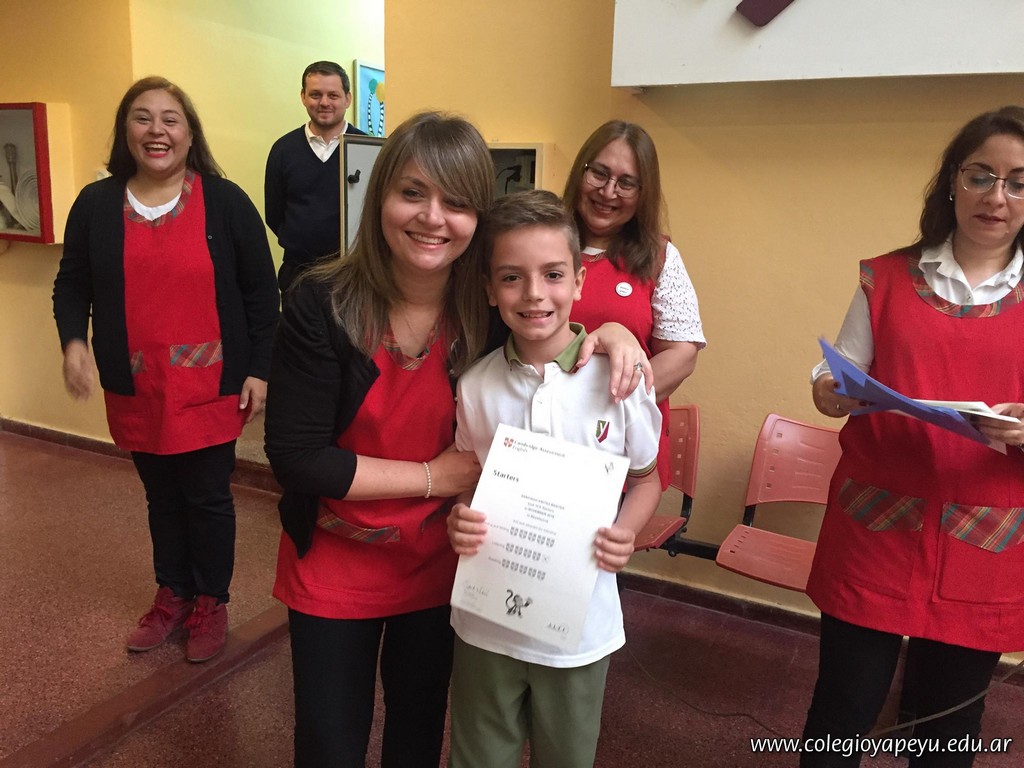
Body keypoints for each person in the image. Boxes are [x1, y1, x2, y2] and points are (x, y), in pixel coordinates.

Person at [264, 113, 651, 768]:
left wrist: (612, 333)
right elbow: (298, 458)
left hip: (444, 558)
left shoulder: (486, 311)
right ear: (379, 196)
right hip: (336, 555)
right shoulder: (321, 304)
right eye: (412, 193)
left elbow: (550, 319)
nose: (433, 218)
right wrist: (434, 477)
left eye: (457, 202)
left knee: (418, 733)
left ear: (478, 218)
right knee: (329, 742)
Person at [803, 106, 1024, 767]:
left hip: (985, 539)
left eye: (1019, 182)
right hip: (876, 525)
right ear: (953, 181)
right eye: (981, 175)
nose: (997, 197)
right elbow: (837, 375)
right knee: (841, 711)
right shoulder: (887, 277)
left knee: (947, 730)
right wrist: (830, 391)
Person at [52, 76, 279, 663]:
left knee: (207, 496)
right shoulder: (95, 205)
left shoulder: (225, 202)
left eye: (170, 119)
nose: (157, 131)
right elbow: (72, 285)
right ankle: (173, 592)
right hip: (136, 385)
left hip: (210, 384)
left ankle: (211, 601)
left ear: (189, 133)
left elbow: (261, 292)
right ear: (125, 131)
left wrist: (260, 367)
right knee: (161, 497)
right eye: (143, 117)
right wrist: (73, 343)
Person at [445, 189, 662, 768]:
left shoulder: (620, 380)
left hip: (579, 630)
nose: (534, 293)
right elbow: (470, 478)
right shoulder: (475, 386)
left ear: (579, 282)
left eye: (553, 274)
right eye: (511, 278)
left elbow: (647, 480)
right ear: (490, 289)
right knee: (478, 756)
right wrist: (460, 517)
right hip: (485, 624)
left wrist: (627, 532)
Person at [563, 120, 706, 488]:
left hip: (620, 446)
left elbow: (682, 355)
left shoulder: (660, 257)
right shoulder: (542, 239)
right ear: (580, 171)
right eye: (599, 173)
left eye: (626, 183)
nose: (608, 191)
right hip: (539, 435)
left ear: (644, 193)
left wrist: (608, 406)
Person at [265, 60, 367, 294]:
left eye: (333, 95)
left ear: (347, 99)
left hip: (353, 274)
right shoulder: (283, 150)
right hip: (298, 275)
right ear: (303, 97)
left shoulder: (367, 149)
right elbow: (274, 214)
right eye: (315, 95)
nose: (324, 102)